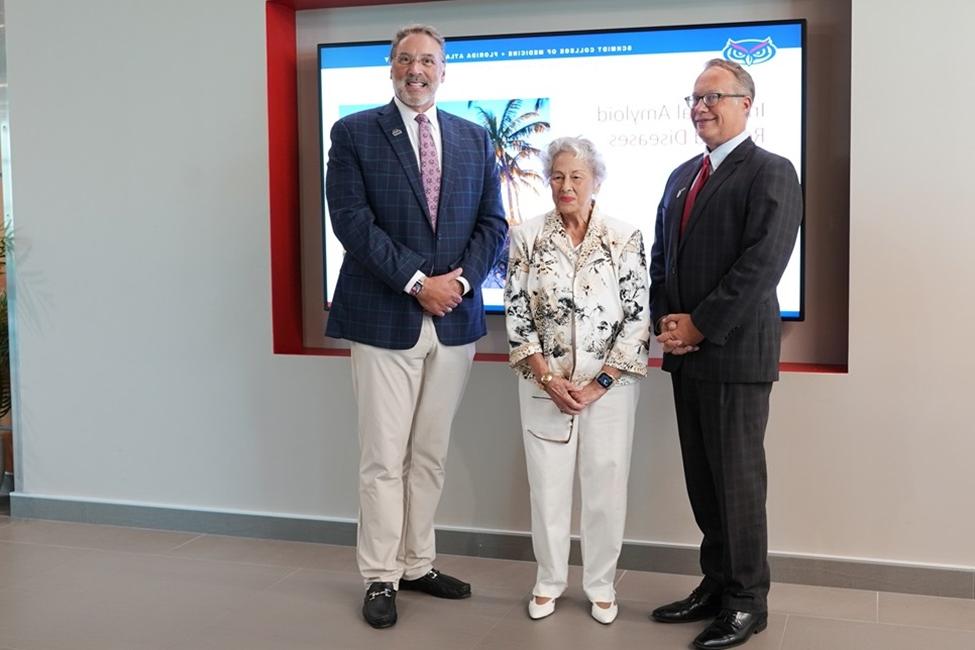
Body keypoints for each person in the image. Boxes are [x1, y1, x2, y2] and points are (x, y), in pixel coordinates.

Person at [324, 24, 507, 629]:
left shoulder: (474, 137)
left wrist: (457, 284)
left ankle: (417, 563)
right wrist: (415, 282)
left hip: (453, 321)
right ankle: (380, 576)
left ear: (444, 69)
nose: (416, 70)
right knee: (383, 458)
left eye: (427, 60)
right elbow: (350, 221)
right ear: (390, 67)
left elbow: (492, 224)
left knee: (428, 454)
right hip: (383, 317)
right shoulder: (354, 133)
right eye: (406, 59)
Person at [648, 59, 802, 649]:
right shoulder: (682, 175)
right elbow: (664, 256)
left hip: (735, 355)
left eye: (713, 96)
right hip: (685, 354)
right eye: (693, 98)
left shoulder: (771, 172)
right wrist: (669, 320)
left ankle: (746, 602)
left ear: (747, 103)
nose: (700, 107)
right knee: (704, 482)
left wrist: (701, 325)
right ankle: (715, 584)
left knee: (737, 483)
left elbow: (761, 266)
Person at [505, 136, 650, 625]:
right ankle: (548, 581)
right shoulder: (525, 237)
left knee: (606, 487)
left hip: (609, 389)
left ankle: (601, 584)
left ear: (596, 181)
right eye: (557, 176)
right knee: (546, 489)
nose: (565, 186)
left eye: (576, 177)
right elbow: (518, 316)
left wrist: (600, 383)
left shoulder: (624, 237)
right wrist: (548, 378)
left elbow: (637, 319)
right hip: (545, 386)